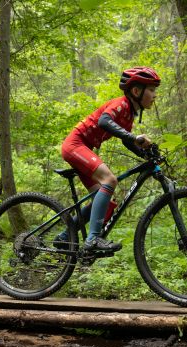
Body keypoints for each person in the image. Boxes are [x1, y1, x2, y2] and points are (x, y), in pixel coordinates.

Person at [58, 66, 161, 253]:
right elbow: (104, 122)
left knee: (106, 201)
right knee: (110, 180)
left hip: (83, 148)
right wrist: (135, 138)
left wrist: (146, 154)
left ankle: (66, 237)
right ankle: (93, 239)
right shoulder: (121, 104)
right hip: (75, 145)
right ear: (136, 91)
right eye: (152, 90)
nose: (155, 95)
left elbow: (126, 140)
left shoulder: (128, 114)